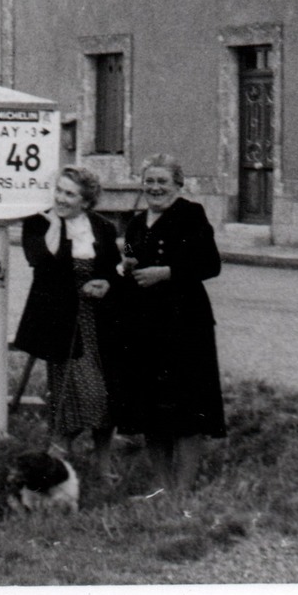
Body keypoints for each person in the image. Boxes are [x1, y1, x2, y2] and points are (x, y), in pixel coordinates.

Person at [115, 153, 227, 493]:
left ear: (178, 186)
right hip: (144, 326)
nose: (155, 188)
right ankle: (163, 486)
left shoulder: (191, 215)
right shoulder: (135, 223)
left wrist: (167, 272)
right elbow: (129, 257)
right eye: (149, 181)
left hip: (184, 324)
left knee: (187, 408)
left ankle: (182, 489)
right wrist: (127, 265)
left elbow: (210, 263)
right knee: (151, 409)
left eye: (163, 182)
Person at [12, 165, 123, 476]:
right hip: (61, 325)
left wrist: (105, 284)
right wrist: (55, 229)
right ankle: (54, 463)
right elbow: (41, 265)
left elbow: (112, 269)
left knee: (108, 396)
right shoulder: (38, 223)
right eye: (59, 190)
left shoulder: (102, 227)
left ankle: (100, 464)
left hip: (101, 324)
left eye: (69, 194)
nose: (60, 198)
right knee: (82, 395)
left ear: (86, 202)